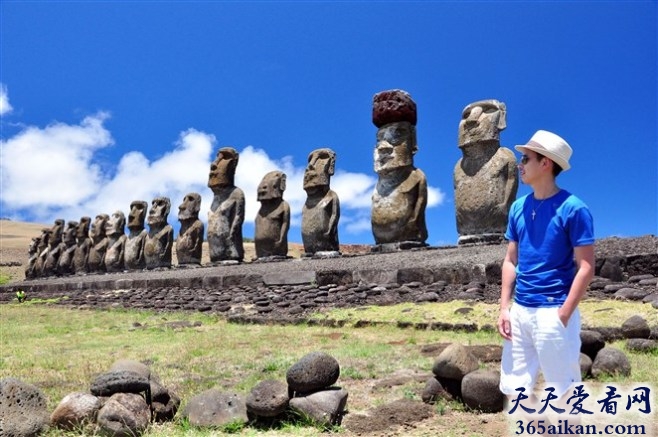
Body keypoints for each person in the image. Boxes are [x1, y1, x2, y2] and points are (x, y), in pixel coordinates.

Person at [497, 130, 595, 407]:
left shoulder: (574, 209)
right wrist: (505, 307)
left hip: (554, 310)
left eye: (526, 158)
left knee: (564, 391)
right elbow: (510, 260)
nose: (520, 164)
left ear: (545, 163)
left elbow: (586, 266)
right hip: (520, 311)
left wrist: (563, 314)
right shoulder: (517, 208)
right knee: (515, 390)